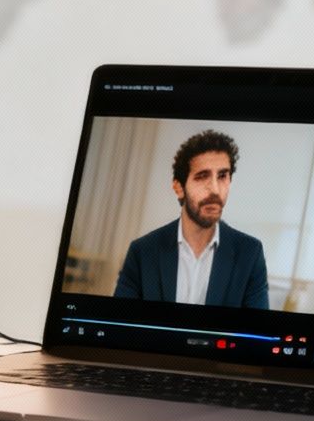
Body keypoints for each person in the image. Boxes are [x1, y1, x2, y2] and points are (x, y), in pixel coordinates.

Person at [112, 130, 269, 309]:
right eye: (202, 177)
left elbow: (255, 333)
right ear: (179, 188)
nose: (215, 190)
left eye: (223, 176)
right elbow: (122, 325)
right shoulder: (142, 252)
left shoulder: (249, 254)